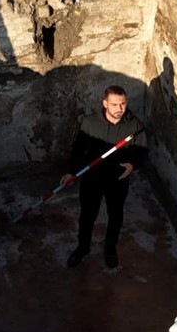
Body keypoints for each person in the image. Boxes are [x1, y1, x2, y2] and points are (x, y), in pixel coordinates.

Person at [61, 85, 147, 268]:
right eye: (114, 104)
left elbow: (142, 153)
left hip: (118, 180)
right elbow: (78, 149)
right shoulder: (90, 123)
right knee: (87, 216)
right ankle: (83, 248)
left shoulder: (135, 126)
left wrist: (133, 165)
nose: (119, 109)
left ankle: (110, 249)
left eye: (123, 104)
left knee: (115, 216)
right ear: (105, 103)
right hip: (92, 179)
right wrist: (71, 171)